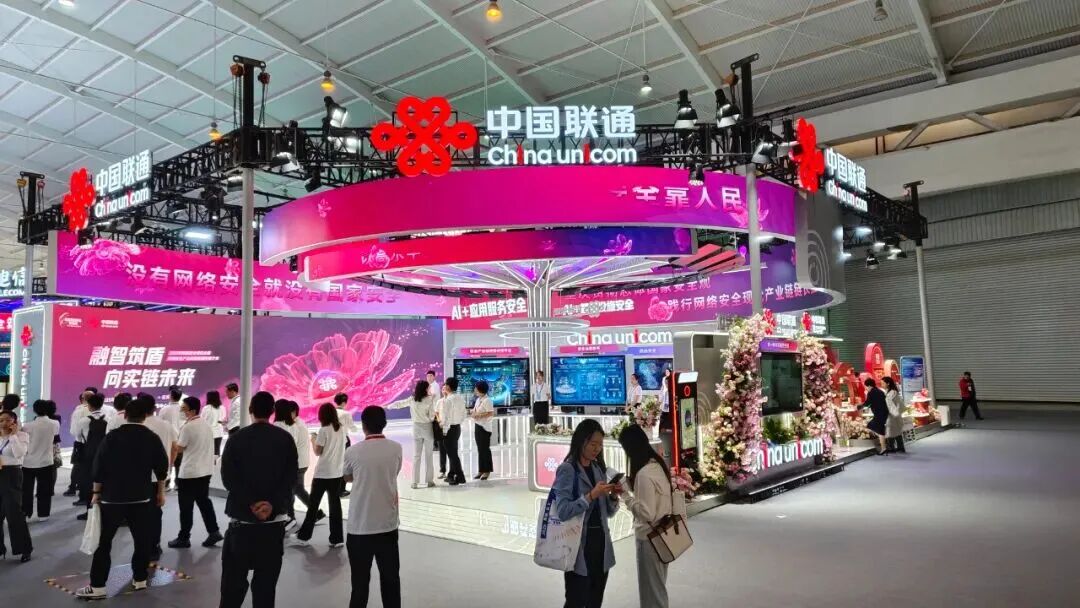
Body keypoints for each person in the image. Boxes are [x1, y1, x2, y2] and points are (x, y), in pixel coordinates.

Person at [74, 397, 168, 600]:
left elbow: (99, 467)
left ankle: (98, 586)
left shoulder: (112, 437)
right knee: (142, 540)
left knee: (104, 542)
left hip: (112, 498)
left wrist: (96, 493)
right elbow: (162, 467)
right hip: (141, 497)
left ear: (125, 415)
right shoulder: (151, 437)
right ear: (144, 417)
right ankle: (140, 579)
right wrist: (160, 492)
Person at [219, 391, 298, 608]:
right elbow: (290, 478)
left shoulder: (236, 439)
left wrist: (251, 502)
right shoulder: (285, 439)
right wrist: (270, 504)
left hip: (242, 523)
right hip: (273, 526)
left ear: (250, 410)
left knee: (232, 589)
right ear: (272, 411)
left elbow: (229, 479)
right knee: (265, 589)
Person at [553, 419, 621, 608]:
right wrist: (590, 496)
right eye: (593, 444)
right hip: (578, 545)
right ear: (581, 441)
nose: (597, 449)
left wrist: (613, 496)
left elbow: (607, 513)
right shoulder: (568, 470)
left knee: (595, 599)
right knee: (576, 600)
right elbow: (563, 511)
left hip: (601, 544)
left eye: (600, 444)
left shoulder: (598, 469)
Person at [343, 406, 402, 608]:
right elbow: (394, 472)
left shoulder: (352, 451)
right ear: (384, 423)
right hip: (387, 524)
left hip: (360, 526)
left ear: (363, 425)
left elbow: (347, 477)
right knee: (391, 581)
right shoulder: (396, 448)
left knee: (359, 585)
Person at [617, 424, 673, 608]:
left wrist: (625, 496)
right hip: (664, 533)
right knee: (658, 588)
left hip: (649, 538)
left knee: (651, 594)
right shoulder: (657, 465)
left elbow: (646, 512)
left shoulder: (643, 474)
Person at [168, 396, 222, 549]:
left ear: (192, 410)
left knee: (186, 506)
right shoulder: (205, 425)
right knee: (204, 502)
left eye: (183, 409)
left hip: (190, 472)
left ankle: (184, 537)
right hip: (205, 471)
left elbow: (180, 448)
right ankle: (214, 531)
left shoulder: (188, 427)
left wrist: (171, 441)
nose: (181, 411)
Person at [294, 403, 345, 547]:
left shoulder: (324, 430)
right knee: (335, 507)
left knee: (313, 506)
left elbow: (318, 451)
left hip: (322, 474)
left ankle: (303, 537)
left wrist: (313, 439)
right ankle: (337, 539)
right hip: (336, 473)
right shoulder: (341, 429)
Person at [274, 400, 323, 528]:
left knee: (293, 490)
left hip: (297, 463)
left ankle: (293, 517)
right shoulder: (297, 423)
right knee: (296, 490)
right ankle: (311, 513)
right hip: (300, 462)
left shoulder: (290, 424)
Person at [140, 393, 177, 562]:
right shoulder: (166, 425)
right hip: (161, 475)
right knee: (156, 512)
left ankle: (142, 546)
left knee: (139, 513)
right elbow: (175, 447)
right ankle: (154, 546)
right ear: (154, 408)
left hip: (140, 477)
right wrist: (169, 466)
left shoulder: (138, 425)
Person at [390, 381, 437, 489]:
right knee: (429, 455)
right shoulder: (429, 400)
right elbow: (431, 416)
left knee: (416, 456)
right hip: (427, 428)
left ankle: (414, 482)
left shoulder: (412, 399)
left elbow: (400, 404)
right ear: (425, 389)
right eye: (428, 388)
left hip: (416, 428)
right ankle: (429, 481)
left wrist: (389, 406)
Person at [0, 410, 31, 562]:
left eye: (7, 420)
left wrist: (13, 435)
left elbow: (19, 454)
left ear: (14, 421)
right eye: (1, 420)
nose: (4, 423)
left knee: (14, 514)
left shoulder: (22, 436)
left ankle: (24, 549)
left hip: (12, 474)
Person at [21, 400, 59, 522]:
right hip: (46, 461)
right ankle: (43, 514)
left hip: (28, 461)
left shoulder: (27, 426)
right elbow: (55, 436)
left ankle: (26, 512)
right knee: (45, 489)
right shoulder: (55, 423)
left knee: (26, 489)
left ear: (34, 410)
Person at [74, 393, 109, 519]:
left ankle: (90, 511)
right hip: (105, 453)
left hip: (88, 454)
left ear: (88, 405)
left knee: (88, 482)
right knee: (104, 480)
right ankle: (104, 510)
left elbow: (78, 437)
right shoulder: (109, 419)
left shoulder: (83, 421)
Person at [65, 390, 93, 497]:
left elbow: (74, 431)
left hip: (81, 443)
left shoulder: (79, 410)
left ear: (82, 399)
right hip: (96, 443)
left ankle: (74, 488)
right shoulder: (104, 410)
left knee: (78, 466)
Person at [439, 378, 467, 486]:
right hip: (457, 428)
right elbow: (464, 414)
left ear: (448, 387)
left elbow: (447, 418)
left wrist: (444, 431)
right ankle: (451, 475)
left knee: (452, 454)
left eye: (445, 385)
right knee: (453, 452)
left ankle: (460, 476)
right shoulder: (460, 398)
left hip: (449, 429)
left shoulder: (448, 400)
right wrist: (458, 422)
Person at [470, 380, 495, 481]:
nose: (475, 390)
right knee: (480, 449)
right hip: (478, 425)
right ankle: (481, 470)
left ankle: (487, 470)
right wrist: (473, 413)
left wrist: (479, 415)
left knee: (485, 449)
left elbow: (490, 413)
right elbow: (475, 410)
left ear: (481, 389)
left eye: (476, 388)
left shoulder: (487, 400)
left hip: (485, 427)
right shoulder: (478, 400)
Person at [161, 388, 185, 487]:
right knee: (179, 461)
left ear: (171, 396)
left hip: (168, 438)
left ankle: (166, 483)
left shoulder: (164, 409)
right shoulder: (183, 409)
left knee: (167, 461)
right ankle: (178, 483)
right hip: (180, 437)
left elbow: (160, 423)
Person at [335, 393, 357, 498]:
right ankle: (341, 489)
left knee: (336, 464)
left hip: (333, 440)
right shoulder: (346, 414)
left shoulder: (331, 412)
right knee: (344, 465)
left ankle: (335, 488)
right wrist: (355, 429)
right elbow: (352, 428)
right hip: (344, 440)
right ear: (344, 402)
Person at [862, 378, 890, 455]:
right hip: (884, 413)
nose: (866, 388)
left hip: (879, 414)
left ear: (869, 386)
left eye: (866, 386)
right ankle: (884, 447)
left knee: (871, 426)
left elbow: (867, 403)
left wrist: (859, 407)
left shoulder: (871, 392)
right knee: (879, 429)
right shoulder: (880, 391)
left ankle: (884, 448)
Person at [882, 377, 907, 454]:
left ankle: (891, 448)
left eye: (883, 383)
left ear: (888, 383)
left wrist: (894, 414)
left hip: (892, 415)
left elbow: (890, 405)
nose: (882, 384)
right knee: (896, 431)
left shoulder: (891, 393)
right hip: (895, 414)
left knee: (890, 430)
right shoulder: (892, 392)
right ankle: (900, 447)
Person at [658, 367, 674, 464]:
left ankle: (669, 451)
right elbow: (661, 399)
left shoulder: (673, 390)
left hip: (670, 412)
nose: (667, 384)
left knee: (669, 431)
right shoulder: (663, 389)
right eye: (666, 382)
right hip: (664, 411)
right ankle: (664, 451)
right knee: (661, 430)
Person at [206, 390, 227, 457]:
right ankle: (216, 463)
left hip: (209, 432)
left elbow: (203, 420)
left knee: (208, 451)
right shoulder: (222, 407)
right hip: (219, 432)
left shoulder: (206, 408)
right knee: (217, 450)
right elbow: (222, 418)